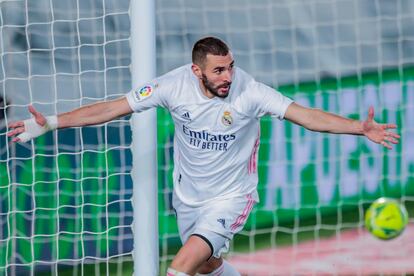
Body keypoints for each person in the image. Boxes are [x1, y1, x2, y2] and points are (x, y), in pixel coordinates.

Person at [7, 37, 400, 276]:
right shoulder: (171, 86)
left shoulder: (251, 92)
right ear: (198, 71)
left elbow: (307, 116)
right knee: (207, 266)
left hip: (233, 196)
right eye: (219, 70)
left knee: (181, 265)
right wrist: (53, 122)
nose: (228, 76)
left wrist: (357, 127)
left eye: (230, 66)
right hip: (188, 198)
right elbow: (112, 107)